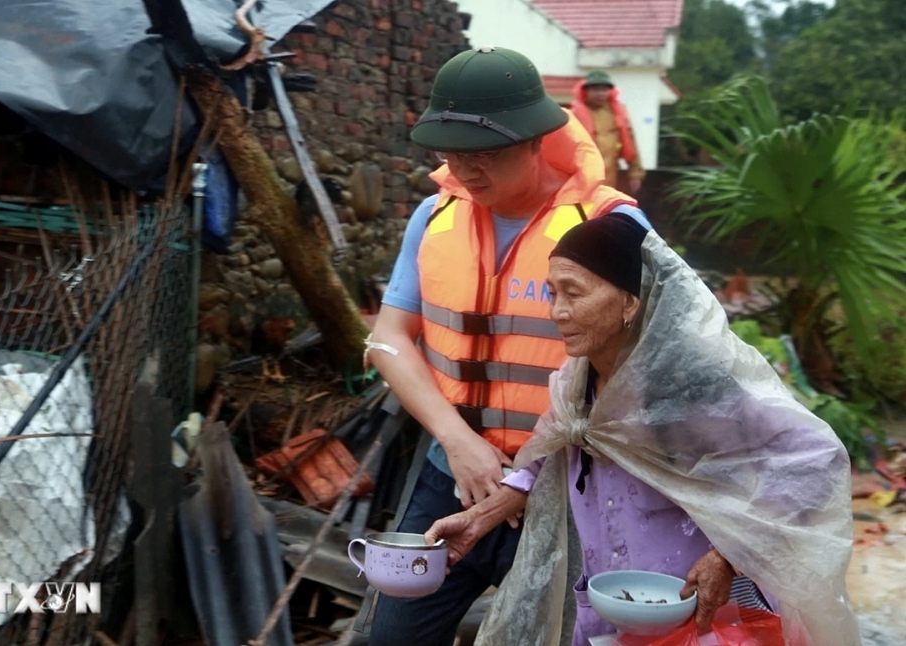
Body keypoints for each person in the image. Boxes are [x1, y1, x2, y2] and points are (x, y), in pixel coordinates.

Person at [425, 214, 862, 646]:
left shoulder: (699, 385)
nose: (557, 312)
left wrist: (730, 558)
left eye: (573, 293)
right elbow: (550, 453)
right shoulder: (576, 382)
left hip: (700, 612)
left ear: (631, 301)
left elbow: (813, 460)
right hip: (614, 609)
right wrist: (479, 519)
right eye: (552, 292)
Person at [363, 46, 652, 646]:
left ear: (536, 141)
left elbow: (656, 366)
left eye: (486, 155)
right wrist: (459, 442)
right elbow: (390, 337)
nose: (466, 172)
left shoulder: (613, 228)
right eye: (452, 155)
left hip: (573, 490)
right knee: (392, 634)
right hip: (454, 472)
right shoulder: (433, 216)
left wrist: (526, 475)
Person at [571, 70, 645, 195]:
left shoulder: (618, 114)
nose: (600, 93)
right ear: (586, 91)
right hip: (582, 178)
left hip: (612, 177)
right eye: (595, 89)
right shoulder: (574, 115)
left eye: (604, 89)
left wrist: (635, 174)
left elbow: (631, 145)